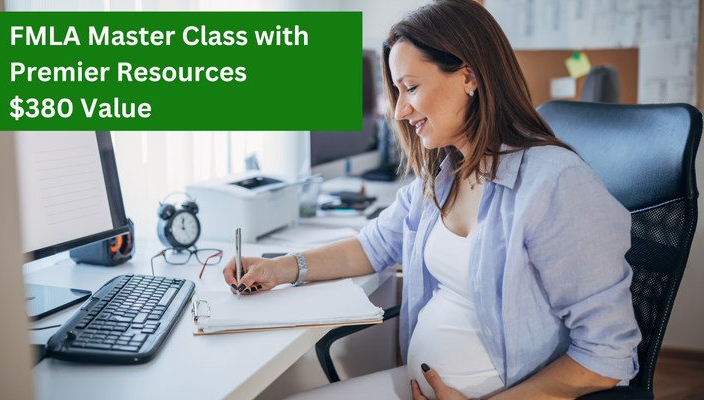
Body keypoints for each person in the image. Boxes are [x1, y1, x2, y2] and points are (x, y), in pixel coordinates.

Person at [222, 1, 641, 399]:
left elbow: (607, 355)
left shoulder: (556, 183)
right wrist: (280, 268)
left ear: (469, 76)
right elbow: (371, 247)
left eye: (411, 88)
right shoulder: (442, 177)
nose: (401, 111)